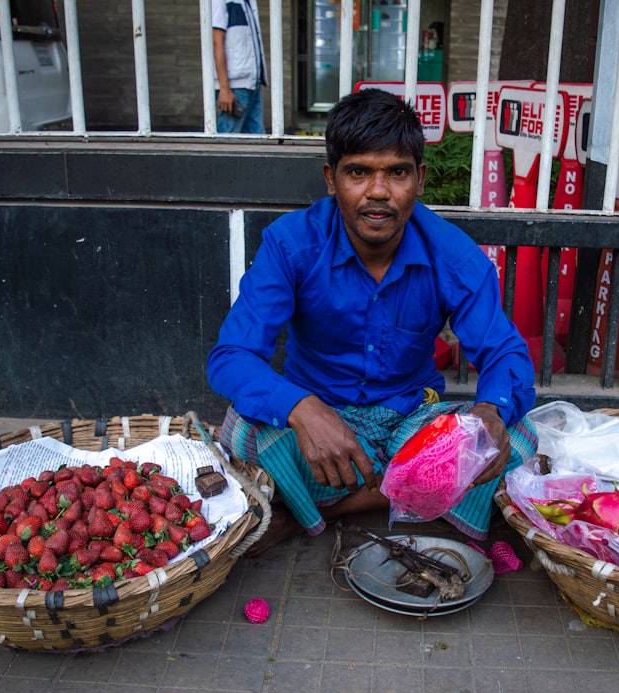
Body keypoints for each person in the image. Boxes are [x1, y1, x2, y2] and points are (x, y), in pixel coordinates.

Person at [206, 88, 537, 556]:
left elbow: (506, 354)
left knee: (518, 435)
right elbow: (231, 356)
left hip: (410, 422)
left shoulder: (454, 255)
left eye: (397, 173)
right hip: (320, 421)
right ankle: (411, 494)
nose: (378, 192)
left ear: (419, 179)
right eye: (358, 172)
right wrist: (301, 408)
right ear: (331, 179)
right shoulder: (290, 244)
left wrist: (490, 412)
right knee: (243, 428)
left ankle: (319, 512)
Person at [211, 0, 267, 134]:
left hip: (252, 82)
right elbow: (216, 42)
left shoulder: (248, 2)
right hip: (235, 85)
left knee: (258, 139)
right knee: (228, 138)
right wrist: (224, 88)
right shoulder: (220, 1)